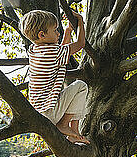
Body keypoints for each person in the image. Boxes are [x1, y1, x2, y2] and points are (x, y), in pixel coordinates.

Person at [19, 9, 89, 143]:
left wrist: (68, 31)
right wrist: (80, 21)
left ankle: (74, 134)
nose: (58, 33)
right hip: (50, 111)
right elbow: (80, 44)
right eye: (55, 30)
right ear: (42, 35)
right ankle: (66, 126)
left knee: (73, 91)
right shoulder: (54, 52)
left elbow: (63, 51)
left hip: (40, 113)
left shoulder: (35, 50)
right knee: (81, 86)